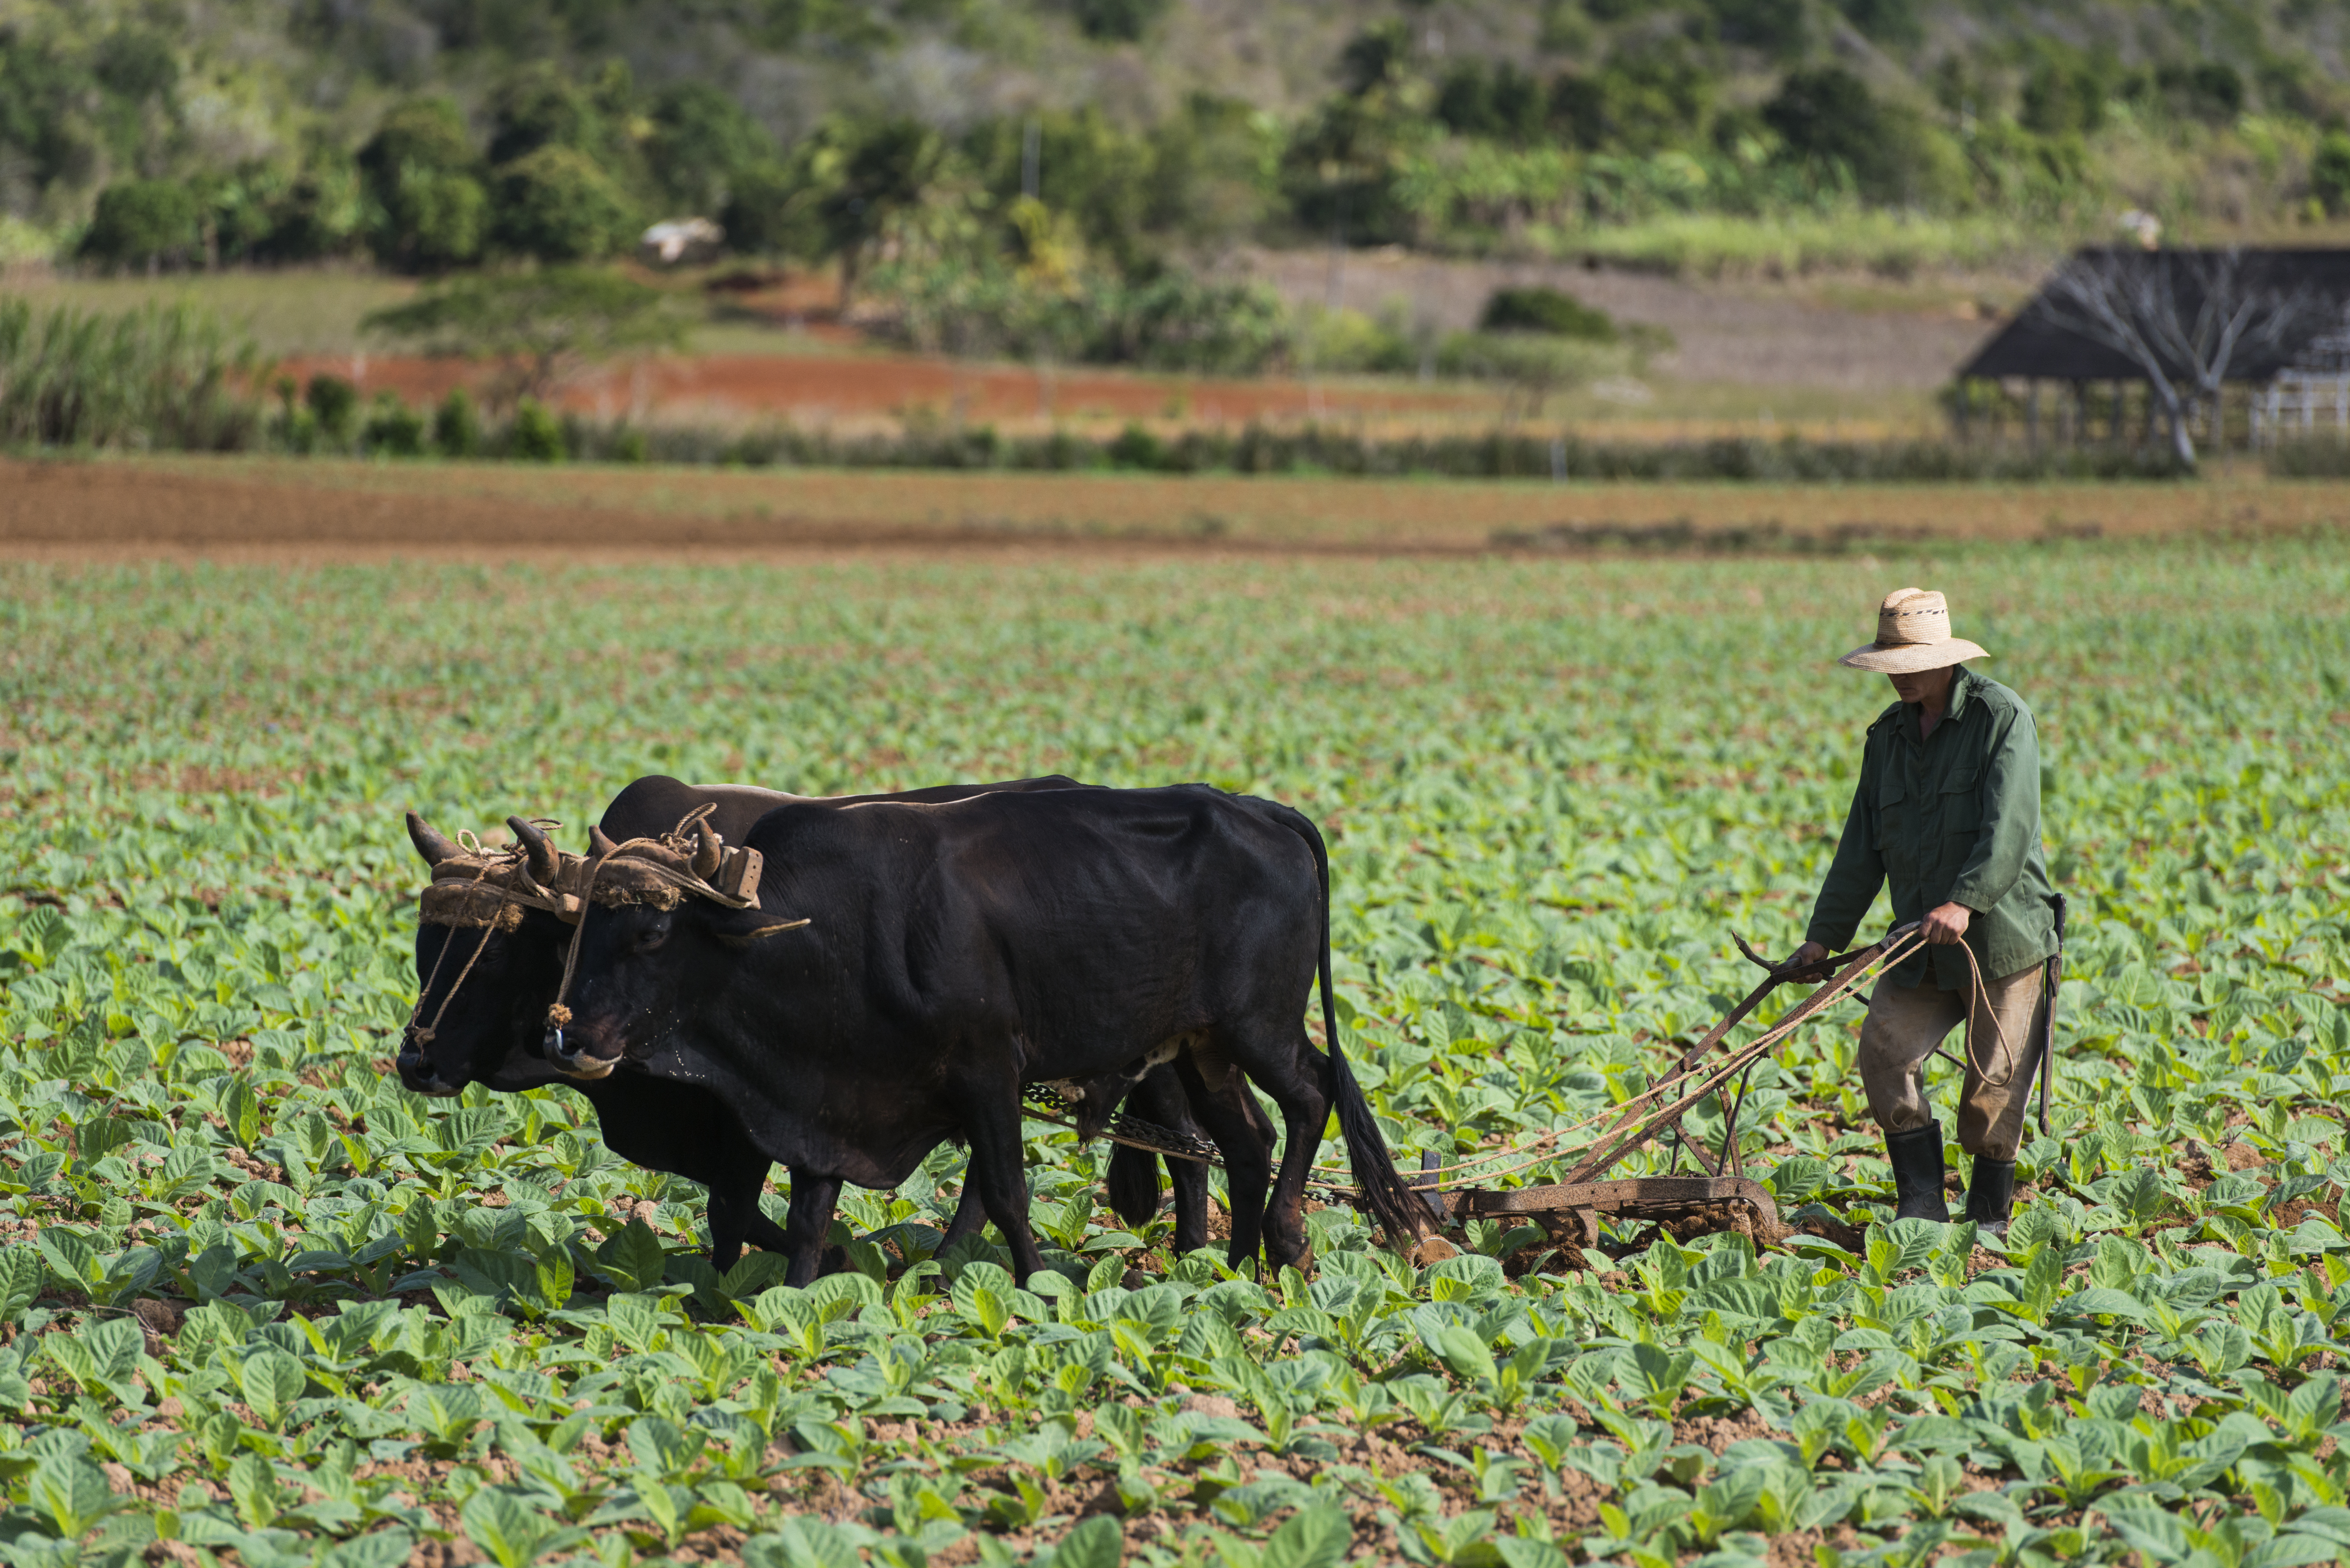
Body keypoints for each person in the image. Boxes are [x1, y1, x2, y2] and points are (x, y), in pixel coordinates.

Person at [1786, 588, 2058, 1233]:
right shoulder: (1886, 737)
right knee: (1883, 1053)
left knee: (1993, 1082)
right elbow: (1860, 845)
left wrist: (1963, 902)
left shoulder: (2000, 717)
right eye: (1892, 667)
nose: (1900, 678)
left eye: (1910, 665)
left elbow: (2009, 827)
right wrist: (1822, 939)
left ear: (1943, 659)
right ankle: (1920, 1202)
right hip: (1917, 938)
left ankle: (1988, 1218)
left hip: (2002, 938)